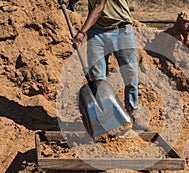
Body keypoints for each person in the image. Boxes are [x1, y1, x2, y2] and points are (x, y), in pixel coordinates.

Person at [61, 0, 150, 131]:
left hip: (121, 29)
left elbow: (99, 5)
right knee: (97, 79)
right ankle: (106, 120)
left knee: (130, 75)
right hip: (96, 31)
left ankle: (134, 114)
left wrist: (81, 32)